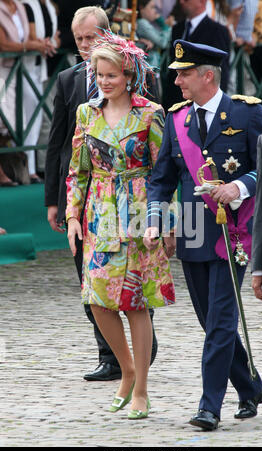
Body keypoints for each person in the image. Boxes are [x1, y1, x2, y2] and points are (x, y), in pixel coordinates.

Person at [144, 40, 262, 430]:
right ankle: (250, 387)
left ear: (208, 75)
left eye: (184, 73)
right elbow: (161, 179)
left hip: (234, 232)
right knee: (208, 319)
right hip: (194, 231)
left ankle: (208, 406)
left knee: (220, 322)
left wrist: (239, 187)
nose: (177, 81)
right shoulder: (177, 118)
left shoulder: (247, 114)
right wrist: (154, 219)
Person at [65, 30, 175, 418]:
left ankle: (141, 387)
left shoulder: (151, 113)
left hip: (139, 213)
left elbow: (166, 171)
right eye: (99, 74)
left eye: (111, 75)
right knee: (97, 299)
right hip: (99, 213)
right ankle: (126, 369)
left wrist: (168, 222)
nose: (104, 81)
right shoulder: (86, 113)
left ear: (128, 75)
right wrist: (73, 216)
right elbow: (77, 172)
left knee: (136, 303)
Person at [45, 6, 158, 383]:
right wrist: (64, 209)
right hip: (96, 206)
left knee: (134, 295)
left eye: (90, 38)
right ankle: (114, 359)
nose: (84, 47)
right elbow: (64, 153)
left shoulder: (147, 101)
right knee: (93, 291)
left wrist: (167, 219)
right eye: (78, 41)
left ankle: (138, 366)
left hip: (138, 204)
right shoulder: (77, 98)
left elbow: (162, 167)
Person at [163, 0, 231, 111]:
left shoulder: (217, 31)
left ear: (202, 1)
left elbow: (220, 72)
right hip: (177, 104)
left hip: (205, 104)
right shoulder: (178, 29)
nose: (181, 2)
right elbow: (173, 71)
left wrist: (217, 106)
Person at [0, 0, 47, 155]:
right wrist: (31, 46)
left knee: (16, 124)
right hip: (2, 70)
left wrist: (39, 42)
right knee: (3, 121)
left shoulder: (20, 7)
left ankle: (11, 168)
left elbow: (27, 37)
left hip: (16, 71)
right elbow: (3, 45)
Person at [21, 0, 59, 184]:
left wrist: (51, 42)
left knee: (36, 118)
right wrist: (43, 44)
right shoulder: (27, 4)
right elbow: (30, 37)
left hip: (40, 68)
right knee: (26, 118)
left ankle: (31, 168)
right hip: (22, 68)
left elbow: (56, 35)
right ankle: (27, 168)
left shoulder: (49, 6)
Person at [136, 0, 171, 102]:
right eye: (151, 7)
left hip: (153, 71)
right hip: (148, 71)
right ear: (142, 8)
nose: (155, 11)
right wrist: (165, 25)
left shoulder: (148, 23)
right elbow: (163, 42)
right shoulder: (142, 23)